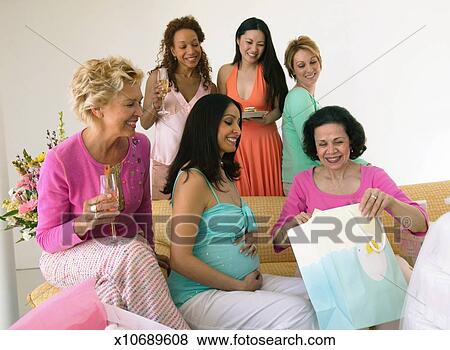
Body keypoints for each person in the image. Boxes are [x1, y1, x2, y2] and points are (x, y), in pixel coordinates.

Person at [37, 56, 189, 329]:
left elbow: (143, 210)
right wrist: (83, 222)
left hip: (118, 254)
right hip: (65, 257)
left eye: (139, 101)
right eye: (130, 104)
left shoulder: (139, 145)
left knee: (110, 294)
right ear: (97, 109)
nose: (140, 112)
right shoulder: (60, 160)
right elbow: (46, 239)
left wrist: (150, 254)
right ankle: (180, 340)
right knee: (131, 253)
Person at [162, 94, 318, 330]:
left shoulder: (224, 173)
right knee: (299, 312)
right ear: (207, 124)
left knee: (319, 294)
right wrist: (239, 286)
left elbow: (223, 229)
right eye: (228, 122)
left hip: (244, 283)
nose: (237, 130)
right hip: (199, 295)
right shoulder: (192, 179)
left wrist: (248, 237)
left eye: (238, 123)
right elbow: (180, 259)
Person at [271, 106, 428, 328]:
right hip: (326, 271)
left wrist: (391, 202)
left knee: (401, 282)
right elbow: (277, 242)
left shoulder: (373, 176)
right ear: (314, 148)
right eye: (323, 144)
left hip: (373, 267)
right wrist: (293, 225)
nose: (331, 150)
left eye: (338, 141)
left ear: (351, 141)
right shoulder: (303, 182)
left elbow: (419, 223)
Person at [141, 16, 216, 200]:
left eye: (195, 44)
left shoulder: (209, 87)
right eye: (183, 46)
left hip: (200, 167)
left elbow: (214, 130)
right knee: (163, 221)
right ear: (173, 50)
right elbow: (144, 123)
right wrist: (155, 105)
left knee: (198, 221)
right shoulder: (158, 78)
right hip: (166, 164)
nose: (191, 51)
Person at [282, 36, 367, 194]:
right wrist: (362, 165)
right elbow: (312, 146)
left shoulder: (308, 98)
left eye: (313, 62)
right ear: (292, 70)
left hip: (314, 177)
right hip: (304, 182)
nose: (309, 69)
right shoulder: (298, 97)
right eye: (301, 65)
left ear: (320, 61)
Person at [217, 17, 288, 196]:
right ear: (238, 40)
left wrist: (268, 118)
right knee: (239, 198)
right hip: (236, 143)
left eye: (260, 44)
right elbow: (220, 111)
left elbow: (280, 108)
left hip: (266, 143)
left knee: (271, 200)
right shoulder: (225, 72)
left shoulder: (271, 71)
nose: (254, 49)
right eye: (249, 42)